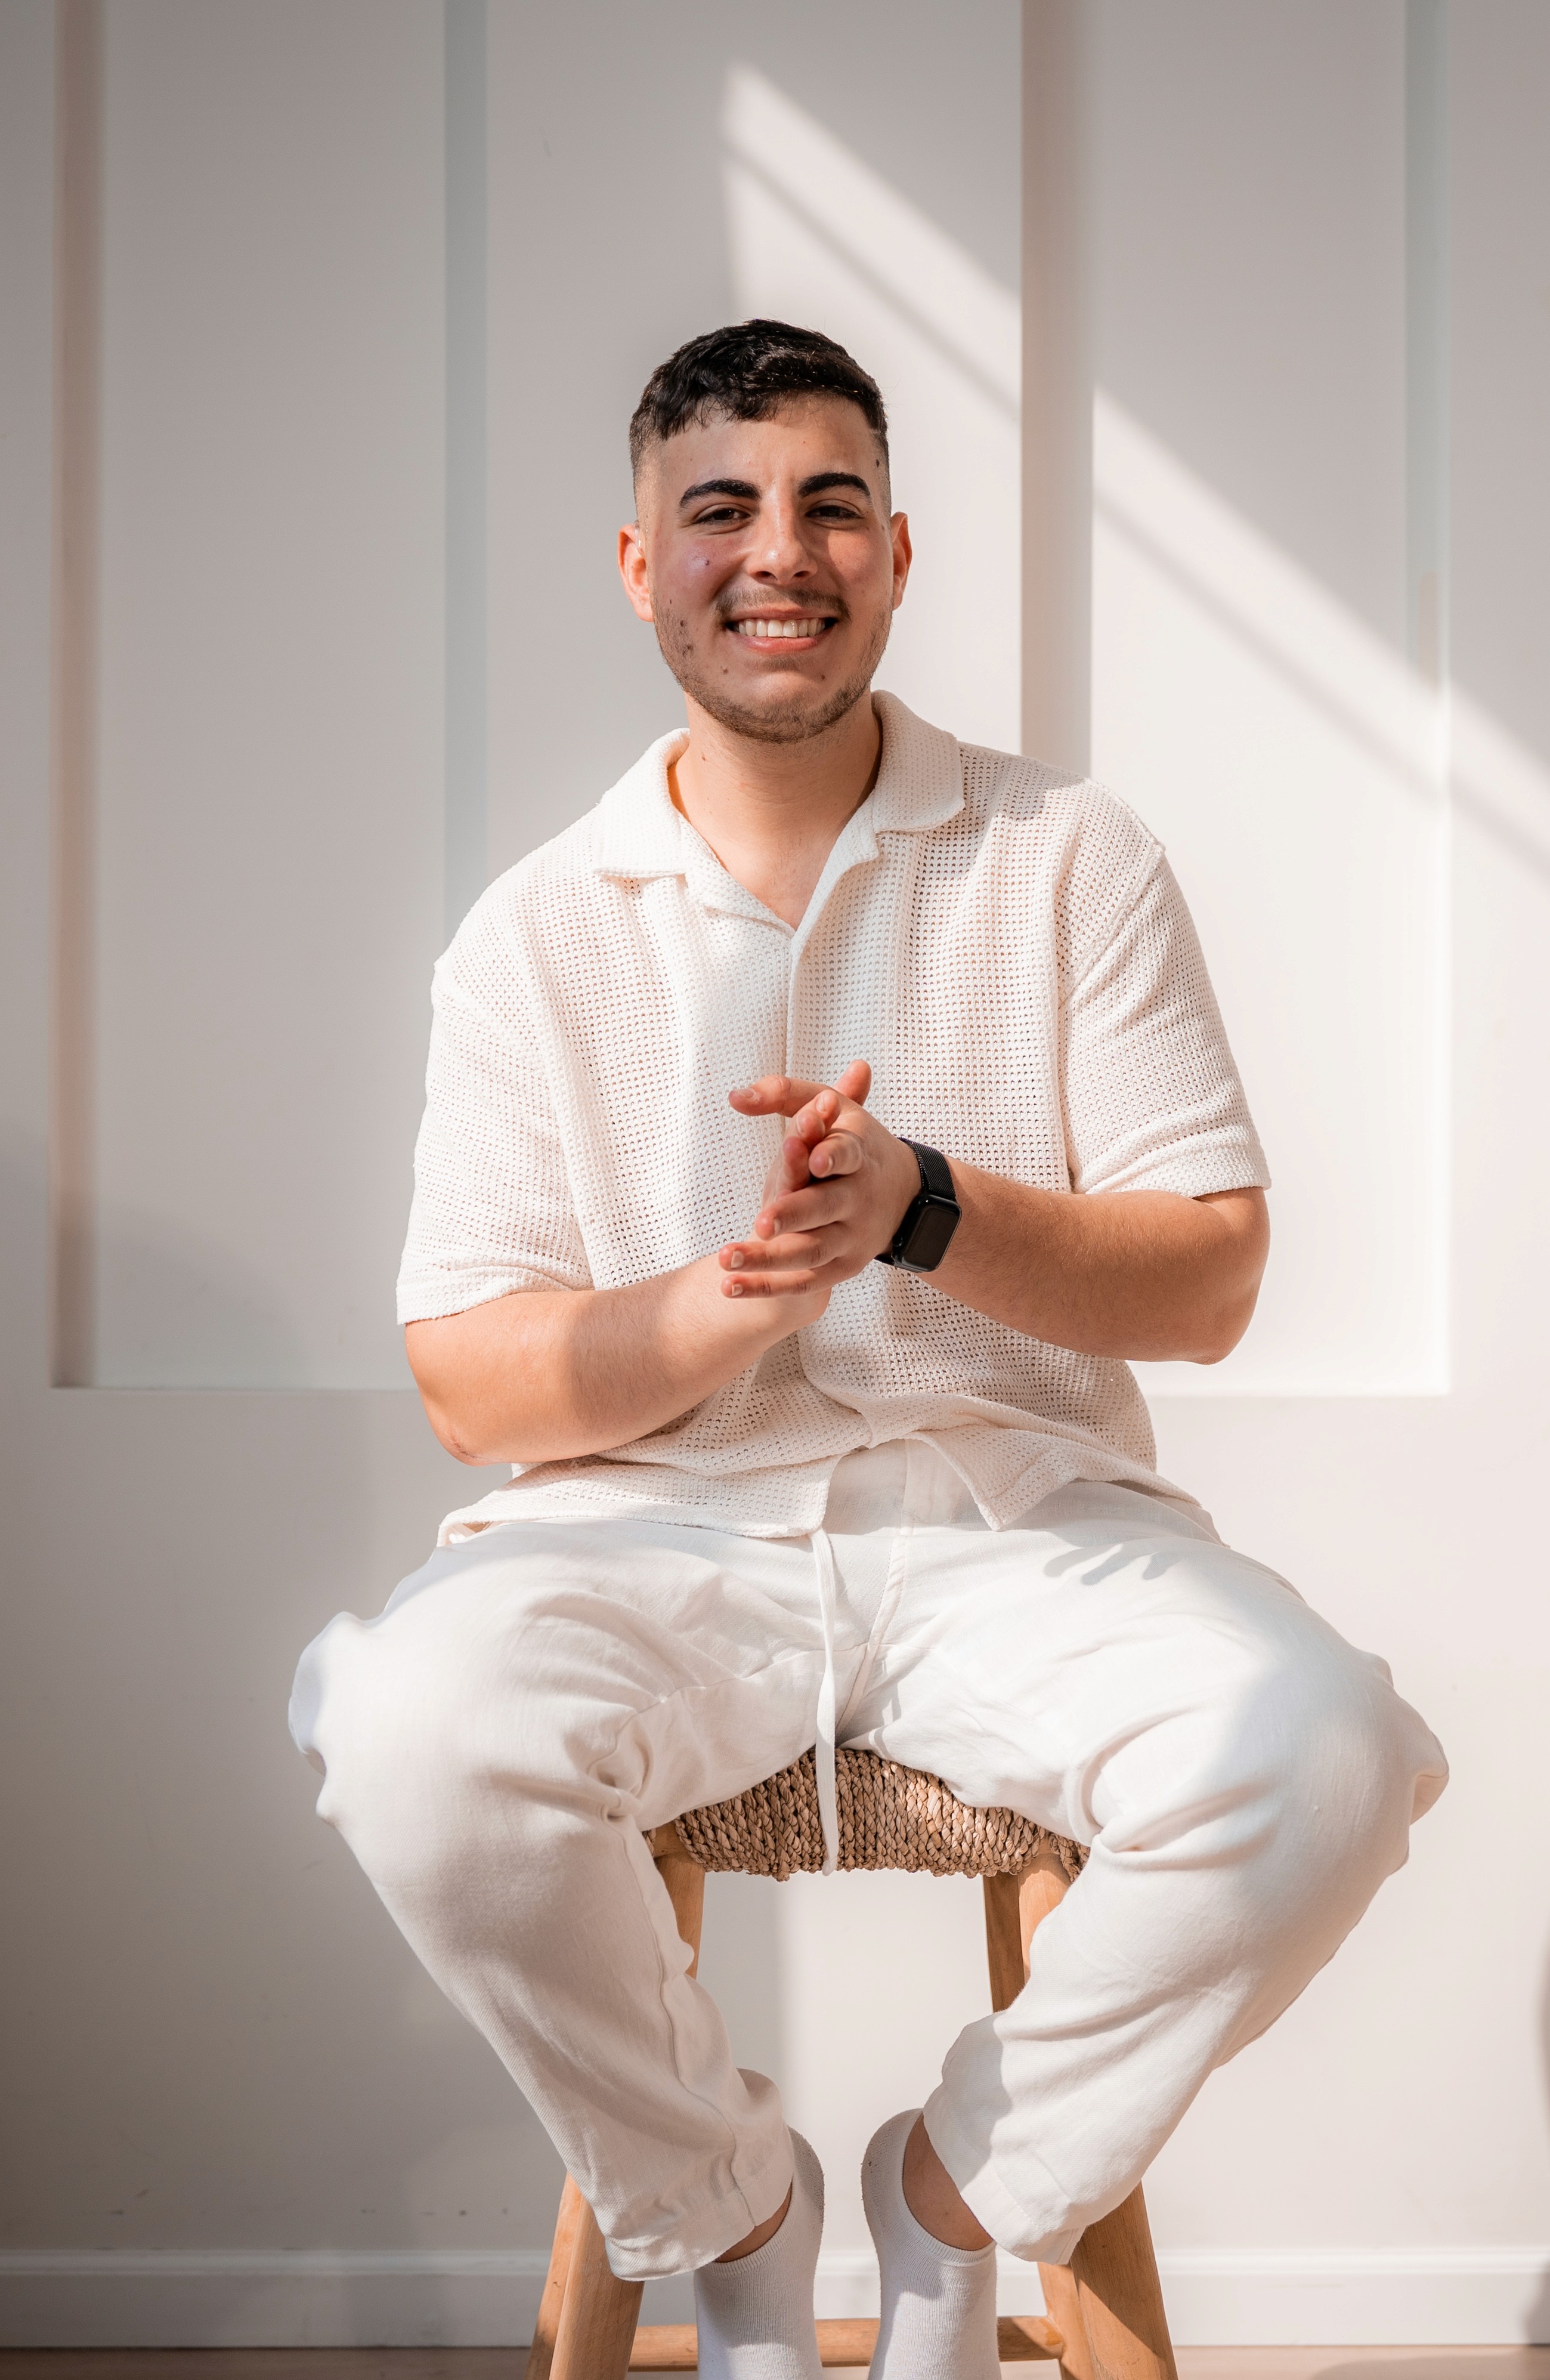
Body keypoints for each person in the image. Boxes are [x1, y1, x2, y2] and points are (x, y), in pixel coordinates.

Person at [289, 320, 1446, 2380]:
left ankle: (952, 2198)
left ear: (899, 554)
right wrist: (717, 1304)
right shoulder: (532, 934)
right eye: (718, 509)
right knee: (399, 1732)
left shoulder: (1075, 859)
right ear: (637, 563)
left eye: (830, 505)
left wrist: (921, 1208)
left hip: (1018, 1529)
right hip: (656, 1543)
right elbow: (472, 1381)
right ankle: (734, 2214)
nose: (778, 552)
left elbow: (1210, 1279)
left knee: (1329, 1751)